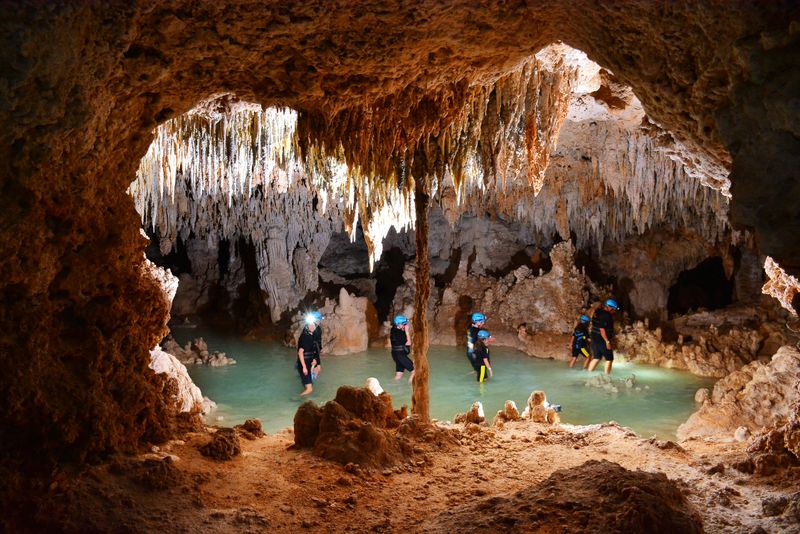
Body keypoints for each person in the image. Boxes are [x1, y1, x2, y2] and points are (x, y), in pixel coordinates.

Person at [588, 299, 619, 374]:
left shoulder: (597, 311)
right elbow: (602, 330)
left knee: (597, 357)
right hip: (602, 340)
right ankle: (606, 377)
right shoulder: (606, 315)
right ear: (610, 307)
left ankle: (588, 374)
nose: (614, 311)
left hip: (594, 338)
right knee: (609, 359)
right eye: (614, 309)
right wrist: (607, 342)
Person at [297, 310, 323, 396]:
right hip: (305, 362)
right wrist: (304, 367)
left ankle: (307, 382)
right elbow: (301, 352)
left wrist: (315, 360)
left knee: (311, 382)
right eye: (318, 320)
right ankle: (295, 400)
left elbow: (315, 347)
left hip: (309, 360)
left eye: (317, 321)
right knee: (309, 389)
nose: (318, 322)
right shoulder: (306, 335)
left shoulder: (313, 332)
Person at [389, 314, 414, 382]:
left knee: (399, 375)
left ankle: (394, 387)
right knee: (415, 371)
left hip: (395, 355)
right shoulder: (400, 333)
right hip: (401, 355)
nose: (405, 325)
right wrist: (407, 332)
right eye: (404, 324)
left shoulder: (393, 330)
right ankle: (410, 387)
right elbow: (408, 343)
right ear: (399, 324)